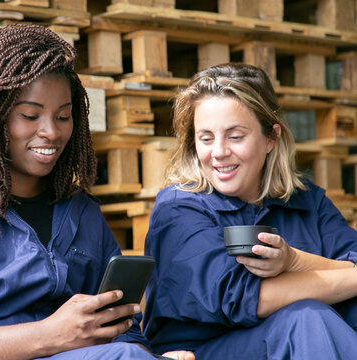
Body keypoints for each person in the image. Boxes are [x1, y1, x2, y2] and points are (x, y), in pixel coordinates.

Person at [0, 24, 195, 360]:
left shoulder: (80, 211)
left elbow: (120, 325)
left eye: (64, 116)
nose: (51, 131)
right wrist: (50, 335)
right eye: (29, 115)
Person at [143, 63, 357, 359]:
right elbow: (241, 296)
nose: (218, 152)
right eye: (206, 138)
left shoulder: (307, 202)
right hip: (204, 352)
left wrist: (294, 261)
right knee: (306, 318)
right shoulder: (179, 208)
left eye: (235, 136)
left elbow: (352, 259)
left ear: (271, 138)